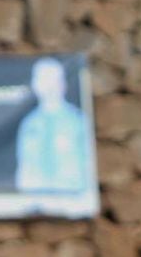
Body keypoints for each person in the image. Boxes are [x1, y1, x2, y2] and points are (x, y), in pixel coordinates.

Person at [15, 57, 88, 192]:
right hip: (36, 201)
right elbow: (24, 166)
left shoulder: (77, 121)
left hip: (72, 197)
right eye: (43, 79)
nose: (48, 86)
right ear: (35, 84)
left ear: (62, 84)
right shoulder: (29, 123)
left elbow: (88, 163)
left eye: (52, 80)